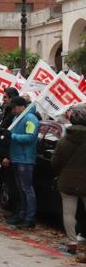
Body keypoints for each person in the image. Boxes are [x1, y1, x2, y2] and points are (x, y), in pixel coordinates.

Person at [52, 104, 86, 253]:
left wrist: (62, 172)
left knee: (68, 213)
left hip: (67, 181)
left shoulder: (64, 141)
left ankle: (72, 243)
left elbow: (55, 163)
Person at [4, 96, 39, 228]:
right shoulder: (16, 118)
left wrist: (12, 136)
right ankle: (21, 214)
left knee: (27, 189)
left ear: (20, 106)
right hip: (16, 157)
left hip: (25, 159)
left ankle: (29, 217)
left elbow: (30, 137)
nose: (12, 111)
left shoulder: (30, 118)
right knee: (21, 189)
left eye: (14, 108)